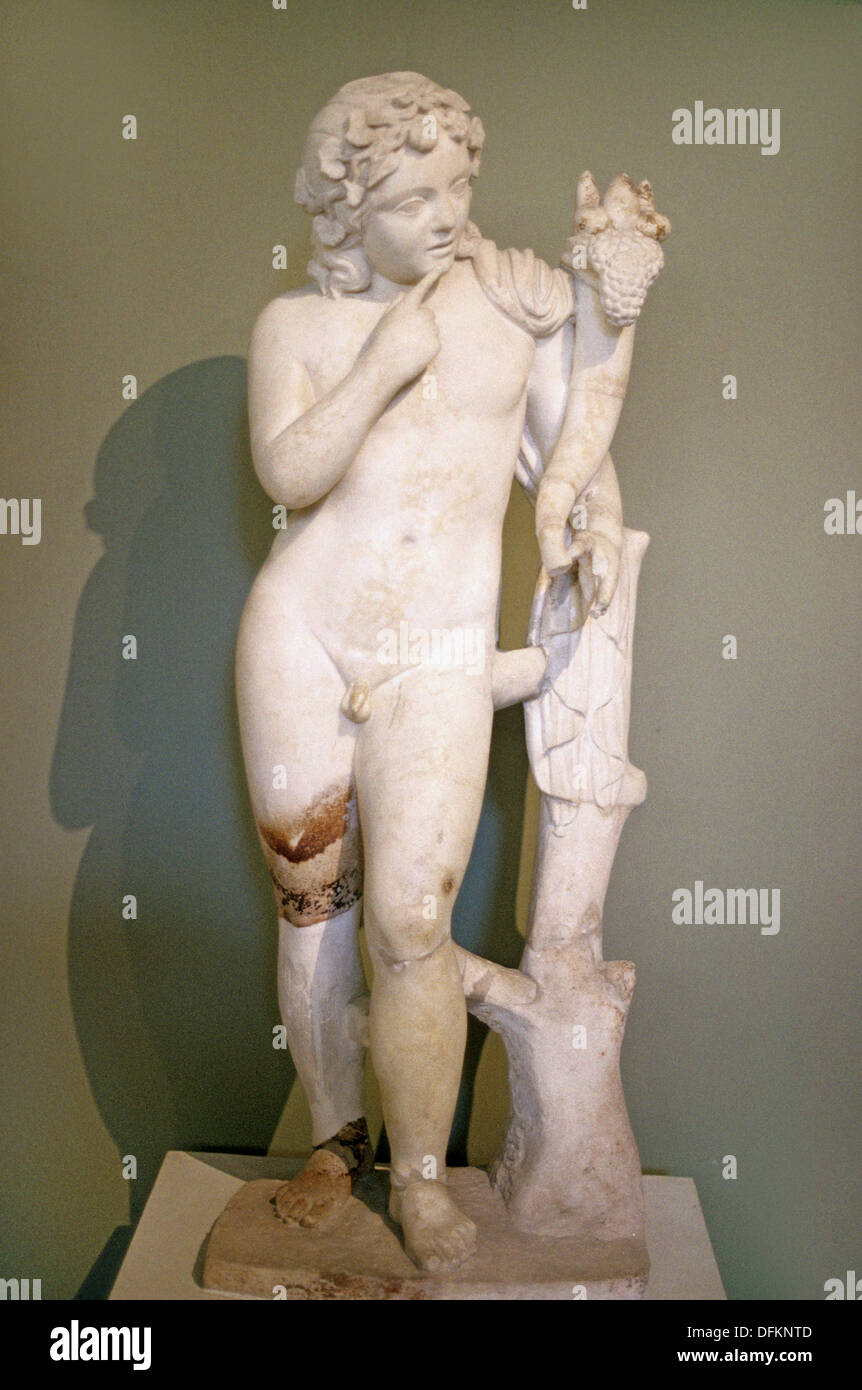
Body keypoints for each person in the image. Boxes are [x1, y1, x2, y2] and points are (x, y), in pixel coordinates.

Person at [236, 72, 646, 1271]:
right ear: (345, 210)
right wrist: (381, 358)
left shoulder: (509, 306)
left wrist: (585, 516)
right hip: (301, 640)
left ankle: (418, 1180)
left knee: (413, 921)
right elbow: (287, 474)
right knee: (318, 912)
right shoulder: (294, 326)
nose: (444, 211)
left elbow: (573, 437)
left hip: (437, 654)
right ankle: (333, 1138)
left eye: (457, 184)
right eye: (411, 195)